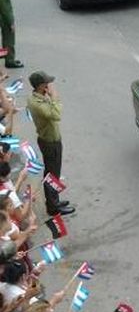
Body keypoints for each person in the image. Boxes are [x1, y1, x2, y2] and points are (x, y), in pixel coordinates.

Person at [27, 72, 75, 216]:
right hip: (49, 142)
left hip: (51, 140)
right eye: (47, 83)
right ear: (41, 85)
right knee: (52, 175)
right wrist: (54, 96)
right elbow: (56, 115)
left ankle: (54, 201)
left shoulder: (38, 97)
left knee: (54, 173)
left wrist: (48, 95)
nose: (49, 84)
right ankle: (53, 207)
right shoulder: (37, 103)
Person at [0, 0, 22, 69]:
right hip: (3, 19)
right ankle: (9, 60)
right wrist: (11, 23)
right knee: (8, 40)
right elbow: (5, 10)